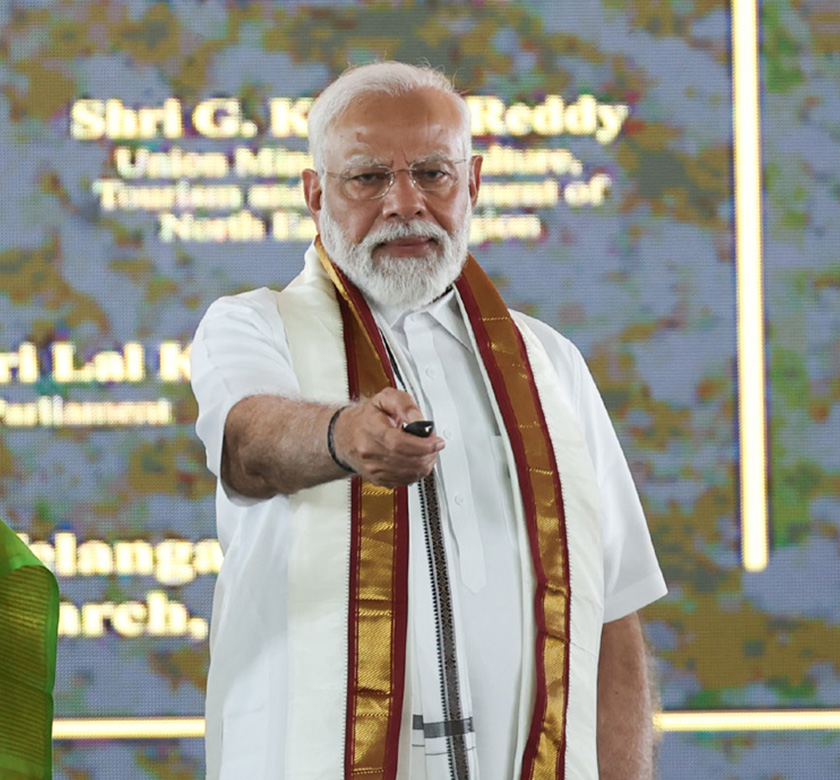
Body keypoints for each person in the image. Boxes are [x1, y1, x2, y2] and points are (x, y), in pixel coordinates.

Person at [191, 61, 667, 780]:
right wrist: (343, 438)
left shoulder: (548, 360)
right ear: (316, 194)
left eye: (432, 174)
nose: (404, 203)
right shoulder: (252, 328)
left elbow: (613, 610)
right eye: (368, 178)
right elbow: (252, 443)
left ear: (472, 183)